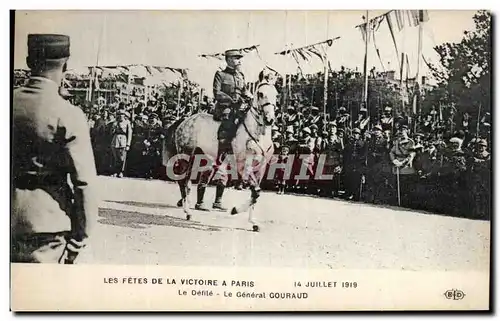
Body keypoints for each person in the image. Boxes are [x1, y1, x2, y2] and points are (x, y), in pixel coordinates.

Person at [12, 34, 98, 263]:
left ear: (29, 62)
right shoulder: (68, 114)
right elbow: (84, 182)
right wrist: (80, 237)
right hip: (47, 227)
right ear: (65, 65)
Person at [200, 49, 252, 211]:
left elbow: (244, 91)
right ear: (228, 60)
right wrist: (232, 101)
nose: (239, 61)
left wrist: (248, 96)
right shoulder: (220, 75)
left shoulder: (241, 76)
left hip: (238, 109)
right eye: (236, 58)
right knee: (228, 125)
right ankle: (224, 144)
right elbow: (217, 93)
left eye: (239, 58)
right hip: (225, 110)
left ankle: (218, 201)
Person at [110, 110, 133, 177]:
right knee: (115, 157)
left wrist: (128, 144)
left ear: (124, 115)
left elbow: (129, 133)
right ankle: (116, 171)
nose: (120, 116)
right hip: (115, 140)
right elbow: (111, 133)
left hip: (123, 140)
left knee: (122, 158)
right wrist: (113, 128)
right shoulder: (115, 123)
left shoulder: (127, 123)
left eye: (122, 114)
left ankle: (121, 171)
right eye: (119, 114)